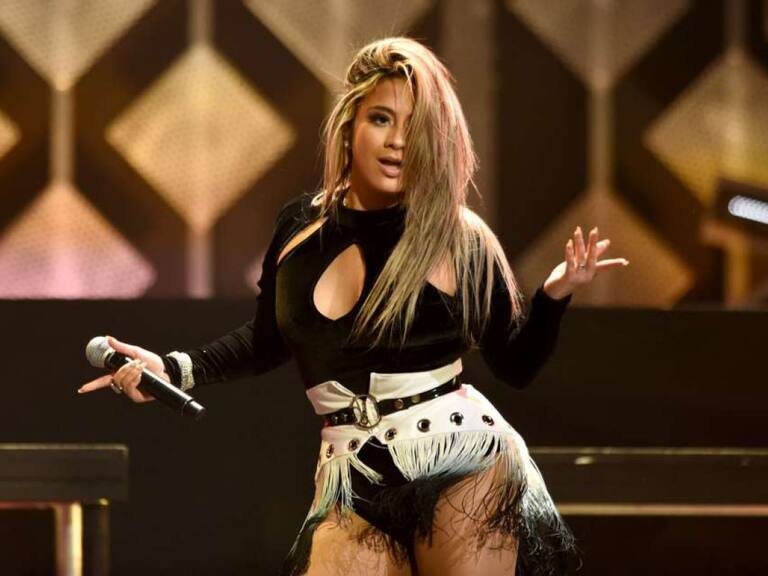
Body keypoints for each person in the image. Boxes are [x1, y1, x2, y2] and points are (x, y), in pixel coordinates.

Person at [79, 37, 628, 576]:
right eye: (381, 119)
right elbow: (268, 339)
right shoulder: (300, 227)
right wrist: (173, 368)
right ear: (350, 126)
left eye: (415, 127)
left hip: (457, 454)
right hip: (350, 467)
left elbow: (517, 365)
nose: (397, 142)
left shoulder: (458, 237)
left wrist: (554, 295)